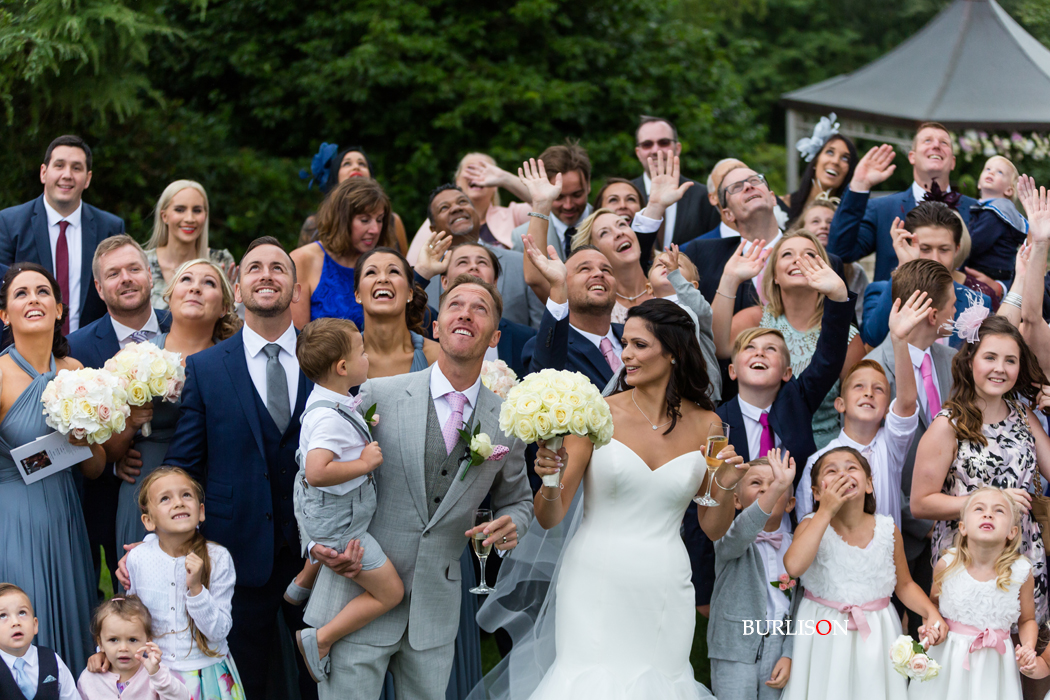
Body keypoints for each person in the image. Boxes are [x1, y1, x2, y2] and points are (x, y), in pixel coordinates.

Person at [495, 300, 745, 698]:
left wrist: (727, 483)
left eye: (640, 345)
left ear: (674, 353)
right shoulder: (596, 415)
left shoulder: (708, 424)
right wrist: (548, 479)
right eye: (625, 343)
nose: (626, 354)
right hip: (595, 577)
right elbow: (549, 518)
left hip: (665, 584)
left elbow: (712, 527)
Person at [303, 275, 532, 700]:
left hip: (434, 611)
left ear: (495, 335)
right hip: (358, 589)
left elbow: (518, 499)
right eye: (455, 305)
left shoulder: (508, 420)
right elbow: (314, 474)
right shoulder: (377, 394)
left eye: (479, 308)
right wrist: (316, 542)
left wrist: (513, 523)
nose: (465, 313)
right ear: (435, 326)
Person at [150, 236, 317, 700]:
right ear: (238, 289)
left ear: (295, 289)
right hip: (236, 554)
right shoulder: (206, 368)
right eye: (255, 268)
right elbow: (184, 463)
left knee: (322, 679)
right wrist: (163, 535)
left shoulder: (323, 356)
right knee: (246, 681)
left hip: (319, 556)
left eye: (278, 268)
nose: (267, 275)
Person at [0, 263, 108, 672]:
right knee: (25, 622)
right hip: (14, 516)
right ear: (4, 315)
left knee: (73, 619)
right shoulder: (0, 374)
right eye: (21, 294)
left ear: (60, 308)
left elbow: (95, 468)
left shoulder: (77, 373)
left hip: (66, 514)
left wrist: (82, 440)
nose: (34, 300)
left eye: (43, 292)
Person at [286, 318, 405, 683]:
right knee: (392, 593)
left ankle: (302, 582)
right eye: (362, 352)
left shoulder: (329, 400)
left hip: (319, 513)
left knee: (320, 538)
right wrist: (363, 462)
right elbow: (317, 471)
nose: (367, 357)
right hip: (341, 521)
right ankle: (319, 640)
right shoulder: (328, 419)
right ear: (343, 367)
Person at [911, 315, 1050, 625]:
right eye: (990, 357)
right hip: (967, 556)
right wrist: (995, 500)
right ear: (971, 360)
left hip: (1023, 552)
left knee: (1023, 653)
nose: (1000, 368)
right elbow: (921, 504)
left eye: (1010, 360)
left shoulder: (1024, 416)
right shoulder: (948, 425)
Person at [781, 447, 947, 698]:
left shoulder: (887, 530)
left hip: (877, 631)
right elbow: (794, 567)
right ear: (816, 492)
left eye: (851, 468)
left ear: (869, 484)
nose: (842, 475)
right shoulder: (811, 524)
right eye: (831, 471)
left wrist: (930, 611)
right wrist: (825, 511)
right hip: (823, 630)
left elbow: (904, 585)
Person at [66, 235, 174, 597]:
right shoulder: (78, 348)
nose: (125, 278)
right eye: (113, 274)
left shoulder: (182, 328)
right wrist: (112, 464)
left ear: (149, 274)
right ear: (98, 287)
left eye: (133, 269)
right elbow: (74, 432)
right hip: (112, 497)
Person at [109, 259, 240, 555]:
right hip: (146, 483)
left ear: (223, 307)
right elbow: (109, 448)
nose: (196, 287)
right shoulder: (135, 358)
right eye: (186, 280)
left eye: (209, 283)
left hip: (215, 488)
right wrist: (129, 425)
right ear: (169, 297)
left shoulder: (235, 363)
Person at [862, 259, 958, 637]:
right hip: (901, 529)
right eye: (951, 305)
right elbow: (870, 458)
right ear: (934, 315)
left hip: (953, 530)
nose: (955, 311)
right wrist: (923, 517)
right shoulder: (872, 372)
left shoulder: (953, 361)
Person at [98, 468, 242, 697]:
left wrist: (196, 590)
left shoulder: (218, 558)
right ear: (148, 520)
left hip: (207, 675)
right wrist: (103, 649)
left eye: (186, 495)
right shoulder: (139, 558)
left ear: (201, 511)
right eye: (165, 498)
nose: (178, 503)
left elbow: (219, 631)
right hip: (154, 674)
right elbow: (128, 617)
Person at [715, 231, 865, 449]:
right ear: (774, 275)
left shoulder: (847, 338)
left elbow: (859, 405)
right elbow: (718, 347)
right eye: (787, 254)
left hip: (823, 452)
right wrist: (729, 279)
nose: (798, 259)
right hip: (754, 444)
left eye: (810, 254)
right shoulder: (755, 319)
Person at [795, 292, 928, 525]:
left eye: (879, 389)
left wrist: (898, 340)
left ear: (887, 408)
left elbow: (907, 403)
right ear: (840, 404)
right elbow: (806, 522)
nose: (868, 393)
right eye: (858, 387)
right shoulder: (819, 460)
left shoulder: (892, 445)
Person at [909, 487, 1035, 700]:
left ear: (1012, 532)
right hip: (949, 660)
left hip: (994, 666)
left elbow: (1028, 619)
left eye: (999, 511)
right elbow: (933, 609)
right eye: (979, 509)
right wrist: (933, 629)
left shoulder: (1020, 571)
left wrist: (1028, 647)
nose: (988, 514)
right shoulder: (947, 565)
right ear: (963, 527)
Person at [0, 135, 124, 333]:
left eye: (76, 168)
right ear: (43, 173)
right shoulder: (9, 223)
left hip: (91, 352)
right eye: (59, 165)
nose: (67, 174)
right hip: (25, 348)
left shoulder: (109, 228)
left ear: (88, 179)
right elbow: (2, 293)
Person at [827, 124, 979, 282]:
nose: (936, 145)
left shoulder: (976, 210)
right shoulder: (881, 209)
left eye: (944, 143)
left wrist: (998, 285)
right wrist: (859, 185)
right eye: (927, 141)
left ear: (953, 162)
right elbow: (839, 251)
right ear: (912, 157)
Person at [708, 450, 798, 700]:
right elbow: (744, 528)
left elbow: (801, 604)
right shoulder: (727, 537)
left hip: (779, 649)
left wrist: (789, 652)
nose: (765, 489)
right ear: (736, 501)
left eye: (773, 484)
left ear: (790, 504)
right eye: (756, 483)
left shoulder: (798, 547)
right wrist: (779, 485)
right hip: (734, 649)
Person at [564, 153, 694, 323]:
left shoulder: (670, 280)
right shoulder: (597, 308)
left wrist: (655, 205)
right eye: (604, 233)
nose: (619, 233)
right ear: (594, 251)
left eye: (623, 224)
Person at [423, 184, 544, 328]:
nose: (456, 208)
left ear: (476, 213)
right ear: (433, 228)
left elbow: (540, 328)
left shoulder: (520, 263)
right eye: (444, 207)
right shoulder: (425, 278)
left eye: (462, 202)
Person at [414, 239, 537, 379]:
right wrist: (422, 273)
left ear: (495, 282)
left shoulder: (526, 338)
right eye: (462, 262)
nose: (473, 267)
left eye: (482, 262)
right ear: (444, 281)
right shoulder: (427, 325)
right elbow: (397, 313)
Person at [292, 178, 399, 329]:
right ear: (341, 220)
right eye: (364, 220)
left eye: (380, 220)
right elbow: (298, 339)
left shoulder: (385, 261)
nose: (375, 229)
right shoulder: (303, 260)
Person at [520, 243, 623, 389]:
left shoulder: (638, 335)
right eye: (584, 269)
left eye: (606, 270)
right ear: (564, 282)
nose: (599, 273)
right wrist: (557, 286)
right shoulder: (550, 347)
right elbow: (546, 378)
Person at [407, 153, 534, 261]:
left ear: (496, 186)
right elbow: (413, 265)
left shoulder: (513, 214)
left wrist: (504, 178)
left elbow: (543, 203)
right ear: (457, 181)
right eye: (471, 169)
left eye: (484, 170)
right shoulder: (439, 220)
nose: (477, 175)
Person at [143, 181, 237, 310]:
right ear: (164, 216)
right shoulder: (141, 263)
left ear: (205, 215)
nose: (189, 218)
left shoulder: (220, 261)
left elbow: (234, 322)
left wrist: (229, 303)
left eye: (197, 210)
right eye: (180, 210)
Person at [629, 115, 721, 246]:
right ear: (638, 153)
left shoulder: (703, 197)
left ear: (677, 148)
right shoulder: (623, 195)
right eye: (647, 144)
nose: (656, 150)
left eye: (664, 142)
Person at [299, 145, 409, 253]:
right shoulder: (315, 224)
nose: (356, 167)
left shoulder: (392, 220)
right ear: (335, 175)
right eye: (347, 163)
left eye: (362, 164)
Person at [76, 596, 189, 700]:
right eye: (113, 640)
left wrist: (157, 675)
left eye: (132, 640)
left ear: (148, 641)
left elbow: (183, 698)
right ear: (100, 644)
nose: (123, 648)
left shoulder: (154, 673)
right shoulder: (89, 679)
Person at [646, 246, 721, 402]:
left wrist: (675, 276)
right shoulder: (643, 314)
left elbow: (701, 310)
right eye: (660, 265)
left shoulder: (695, 307)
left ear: (693, 286)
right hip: (657, 392)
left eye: (677, 265)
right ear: (649, 288)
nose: (667, 266)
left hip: (698, 392)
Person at [354, 247, 439, 378]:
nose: (383, 279)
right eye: (371, 272)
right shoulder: (337, 359)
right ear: (358, 295)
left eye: (393, 271)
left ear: (410, 293)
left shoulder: (438, 358)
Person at [510, 141, 594, 262]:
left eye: (577, 195)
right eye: (558, 197)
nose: (568, 205)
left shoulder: (610, 226)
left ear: (588, 185)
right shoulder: (521, 237)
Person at [0, 583, 79, 700]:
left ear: (35, 625)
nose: (15, 622)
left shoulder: (52, 660)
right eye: (3, 615)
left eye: (22, 612)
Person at [796, 196, 868, 319]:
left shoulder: (856, 271)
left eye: (831, 222)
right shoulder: (792, 265)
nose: (824, 226)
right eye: (815, 221)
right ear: (802, 228)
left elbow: (859, 315)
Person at [782, 120, 858, 228]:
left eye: (845, 158)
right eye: (830, 152)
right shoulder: (779, 205)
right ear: (815, 161)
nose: (835, 161)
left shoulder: (847, 220)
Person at [965, 155, 1028, 283]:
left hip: (990, 271)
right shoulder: (987, 208)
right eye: (987, 169)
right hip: (994, 270)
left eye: (1000, 172)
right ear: (979, 183)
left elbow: (974, 244)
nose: (992, 172)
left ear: (1009, 190)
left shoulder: (996, 212)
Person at [695, 157, 748, 241]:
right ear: (713, 198)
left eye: (750, 178)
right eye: (728, 179)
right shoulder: (693, 251)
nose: (746, 186)